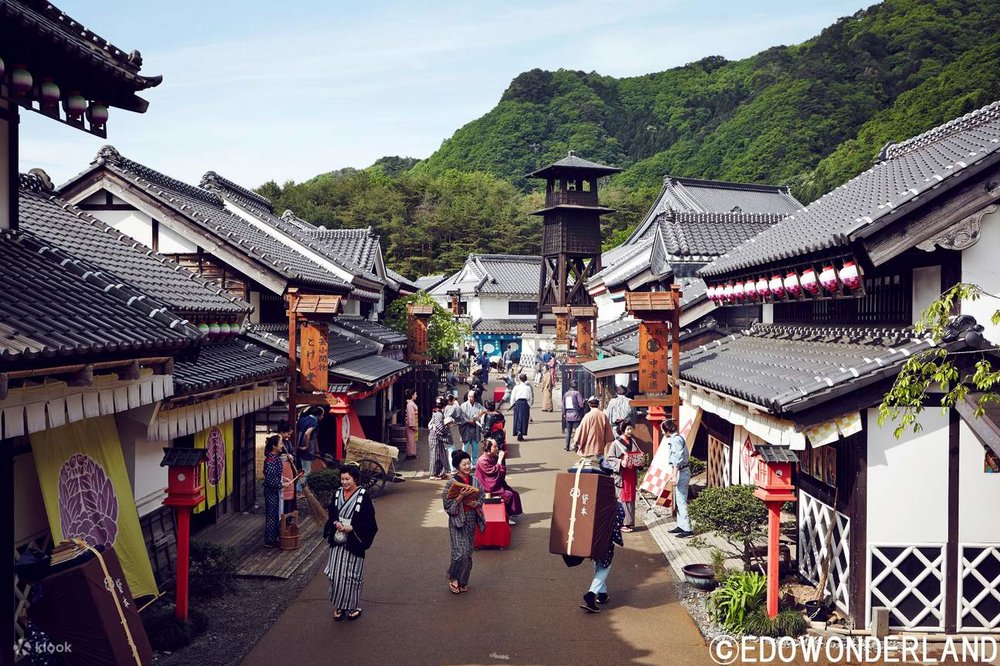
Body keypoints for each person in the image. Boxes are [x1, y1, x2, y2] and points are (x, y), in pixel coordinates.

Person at [323, 464, 379, 621]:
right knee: (335, 574)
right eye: (342, 479)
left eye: (347, 479)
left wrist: (352, 527)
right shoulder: (337, 493)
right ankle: (339, 605)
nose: (344, 482)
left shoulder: (363, 495)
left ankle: (353, 606)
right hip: (338, 538)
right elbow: (332, 512)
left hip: (354, 539)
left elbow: (369, 520)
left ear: (355, 479)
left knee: (351, 575)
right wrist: (335, 523)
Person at [443, 450, 485, 594]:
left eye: (469, 463)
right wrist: (460, 497)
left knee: (467, 553)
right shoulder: (451, 483)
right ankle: (453, 576)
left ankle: (462, 581)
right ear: (458, 466)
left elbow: (482, 496)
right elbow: (447, 506)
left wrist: (476, 503)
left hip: (471, 518)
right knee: (458, 553)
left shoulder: (475, 480)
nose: (468, 466)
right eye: (464, 464)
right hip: (457, 520)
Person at [581, 504, 625, 613]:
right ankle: (591, 594)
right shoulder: (615, 506)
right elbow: (617, 523)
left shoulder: (593, 501)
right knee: (605, 567)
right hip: (605, 541)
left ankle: (603, 594)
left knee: (599, 563)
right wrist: (618, 539)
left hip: (592, 540)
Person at [603, 421, 644, 532]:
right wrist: (620, 462)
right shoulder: (616, 443)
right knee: (622, 498)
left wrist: (639, 460)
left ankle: (629, 522)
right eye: (628, 429)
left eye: (631, 429)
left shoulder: (633, 441)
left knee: (631, 498)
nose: (630, 431)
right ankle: (622, 523)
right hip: (622, 475)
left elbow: (638, 454)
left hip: (631, 474)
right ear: (622, 430)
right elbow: (609, 458)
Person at [475, 438, 523, 524]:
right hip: (487, 488)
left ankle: (511, 514)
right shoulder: (482, 460)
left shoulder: (493, 457)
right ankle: (509, 515)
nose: (497, 448)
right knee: (509, 495)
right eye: (495, 446)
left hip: (494, 484)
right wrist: (500, 460)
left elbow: (499, 472)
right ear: (488, 449)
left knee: (514, 493)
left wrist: (500, 461)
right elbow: (492, 474)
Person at [662, 419, 693, 538]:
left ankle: (688, 529)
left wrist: (674, 474)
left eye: (662, 430)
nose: (662, 433)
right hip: (680, 471)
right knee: (678, 499)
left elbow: (678, 458)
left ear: (666, 430)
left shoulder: (676, 440)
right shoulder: (675, 439)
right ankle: (681, 525)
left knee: (681, 500)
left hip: (682, 471)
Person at [296, 406, 324, 492]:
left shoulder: (303, 419)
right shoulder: (313, 422)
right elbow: (307, 434)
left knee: (302, 468)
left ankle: (300, 489)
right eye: (322, 415)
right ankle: (299, 490)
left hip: (298, 447)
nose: (322, 417)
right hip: (306, 450)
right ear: (318, 415)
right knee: (306, 471)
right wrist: (306, 446)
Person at [262, 436, 283, 547]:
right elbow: (271, 480)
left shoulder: (276, 458)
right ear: (274, 446)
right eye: (280, 443)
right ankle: (270, 540)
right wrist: (282, 484)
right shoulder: (270, 460)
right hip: (271, 491)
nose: (282, 445)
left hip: (276, 490)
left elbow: (277, 476)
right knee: (272, 515)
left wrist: (284, 480)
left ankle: (274, 537)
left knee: (276, 514)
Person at [457, 390, 485, 463]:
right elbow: (461, 417)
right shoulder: (463, 405)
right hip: (466, 429)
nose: (470, 398)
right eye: (469, 396)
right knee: (465, 448)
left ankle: (474, 463)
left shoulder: (478, 405)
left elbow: (483, 412)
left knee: (475, 448)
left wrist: (478, 417)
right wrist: (469, 421)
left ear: (475, 398)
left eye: (472, 397)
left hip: (475, 430)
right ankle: (462, 462)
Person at [427, 397, 450, 480]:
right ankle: (433, 474)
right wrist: (448, 426)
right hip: (436, 437)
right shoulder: (439, 414)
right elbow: (441, 429)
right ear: (444, 406)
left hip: (435, 437)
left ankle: (440, 473)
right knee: (435, 456)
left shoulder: (435, 412)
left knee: (439, 455)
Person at [562, 381, 586, 451]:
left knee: (568, 432)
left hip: (568, 414)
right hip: (576, 414)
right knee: (577, 431)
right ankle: (576, 446)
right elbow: (581, 404)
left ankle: (567, 446)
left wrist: (564, 413)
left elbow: (563, 405)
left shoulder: (566, 394)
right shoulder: (577, 393)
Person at [510, 373, 533, 441]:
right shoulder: (528, 387)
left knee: (517, 418)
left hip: (517, 403)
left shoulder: (516, 387)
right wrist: (529, 404)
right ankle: (522, 433)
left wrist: (512, 404)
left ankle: (518, 431)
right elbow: (530, 397)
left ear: (520, 379)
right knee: (524, 419)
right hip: (525, 403)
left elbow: (513, 396)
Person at [443, 393, 463, 466]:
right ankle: (453, 468)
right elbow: (458, 412)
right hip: (446, 432)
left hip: (439, 432)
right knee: (452, 449)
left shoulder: (442, 408)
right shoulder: (451, 408)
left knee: (443, 451)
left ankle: (445, 468)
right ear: (450, 401)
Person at [404, 389, 420, 460]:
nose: (416, 395)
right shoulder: (410, 405)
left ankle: (412, 453)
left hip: (413, 423)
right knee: (411, 440)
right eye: (415, 394)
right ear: (412, 395)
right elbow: (411, 416)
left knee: (412, 439)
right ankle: (410, 454)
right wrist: (412, 425)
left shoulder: (410, 404)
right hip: (411, 424)